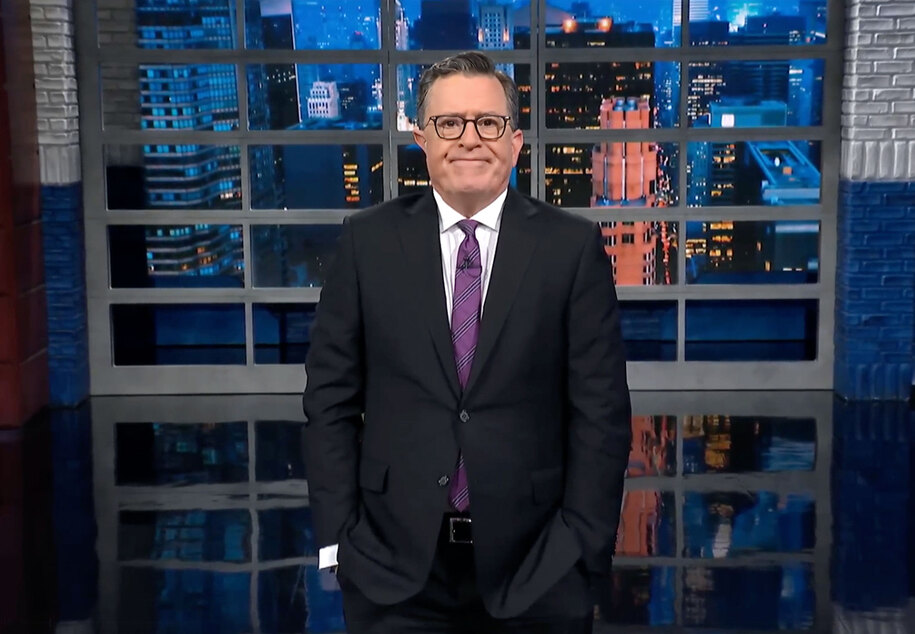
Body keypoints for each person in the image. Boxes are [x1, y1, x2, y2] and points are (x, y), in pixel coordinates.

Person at [302, 51, 631, 633]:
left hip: (539, 566)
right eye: (450, 123)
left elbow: (600, 414)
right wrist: (339, 540)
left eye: (488, 123)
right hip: (392, 569)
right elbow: (329, 402)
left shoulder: (571, 249)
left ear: (515, 142)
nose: (469, 139)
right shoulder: (367, 243)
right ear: (422, 139)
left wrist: (582, 545)